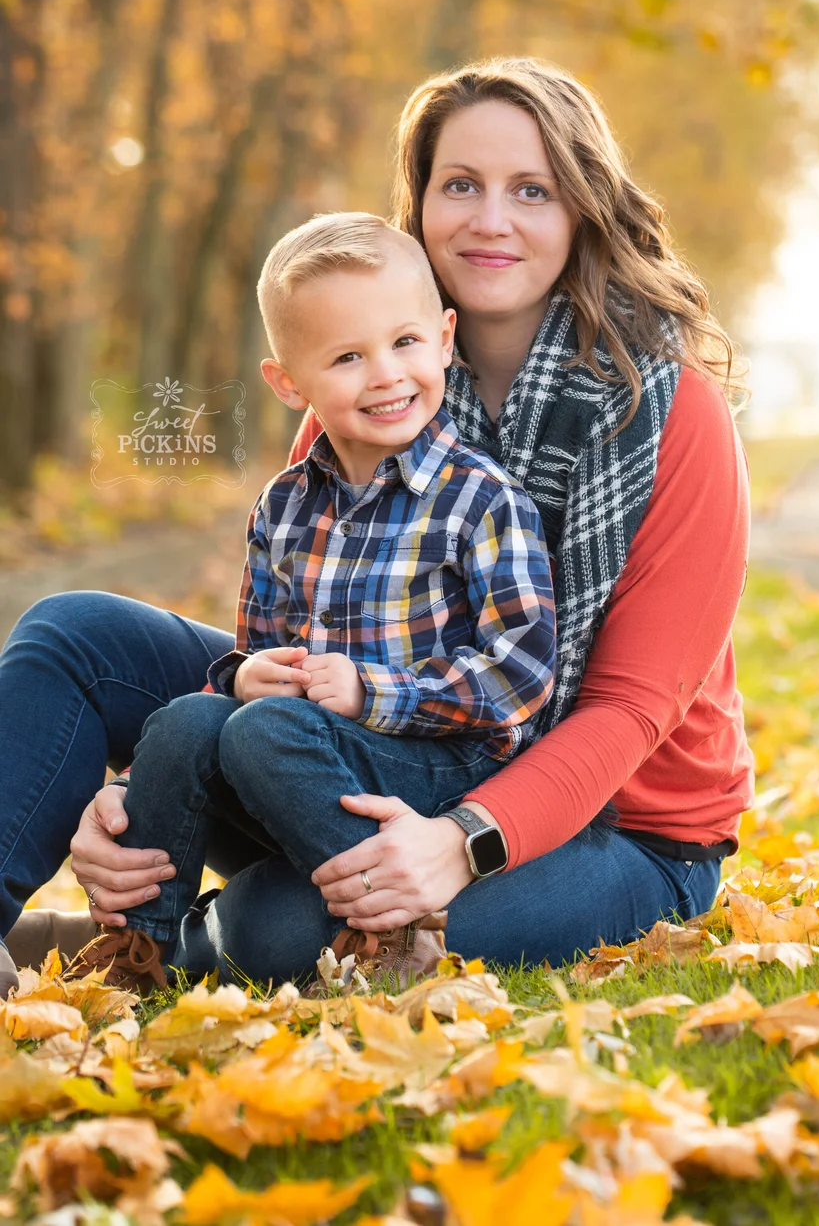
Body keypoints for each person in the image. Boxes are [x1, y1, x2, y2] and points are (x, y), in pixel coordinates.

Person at [0, 56, 753, 995]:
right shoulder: (365, 384)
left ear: (582, 209)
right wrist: (129, 803)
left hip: (618, 826)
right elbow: (293, 644)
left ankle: (145, 942)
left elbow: (629, 711)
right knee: (75, 635)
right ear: (421, 203)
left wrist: (461, 842)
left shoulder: (669, 414)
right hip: (366, 748)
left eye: (533, 190)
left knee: (284, 930)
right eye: (461, 185)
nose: (491, 219)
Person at [64, 212, 556, 992]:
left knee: (266, 730)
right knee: (190, 717)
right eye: (348, 357)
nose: (388, 375)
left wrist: (373, 692)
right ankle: (142, 947)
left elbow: (523, 675)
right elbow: (254, 649)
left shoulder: (480, 500)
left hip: (435, 763)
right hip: (297, 747)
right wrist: (243, 676)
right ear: (289, 382)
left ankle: (392, 929)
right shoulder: (286, 504)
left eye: (405, 342)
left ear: (446, 336)